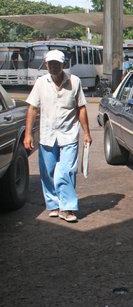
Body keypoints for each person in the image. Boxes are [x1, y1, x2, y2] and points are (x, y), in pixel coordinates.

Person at [23, 50, 92, 223]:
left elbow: (81, 108)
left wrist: (87, 133)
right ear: (46, 64)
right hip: (47, 134)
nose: (54, 67)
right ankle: (53, 204)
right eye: (50, 63)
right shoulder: (40, 83)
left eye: (57, 64)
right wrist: (28, 134)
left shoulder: (74, 81)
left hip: (68, 134)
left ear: (64, 65)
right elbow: (32, 108)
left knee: (66, 171)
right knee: (48, 171)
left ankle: (67, 207)